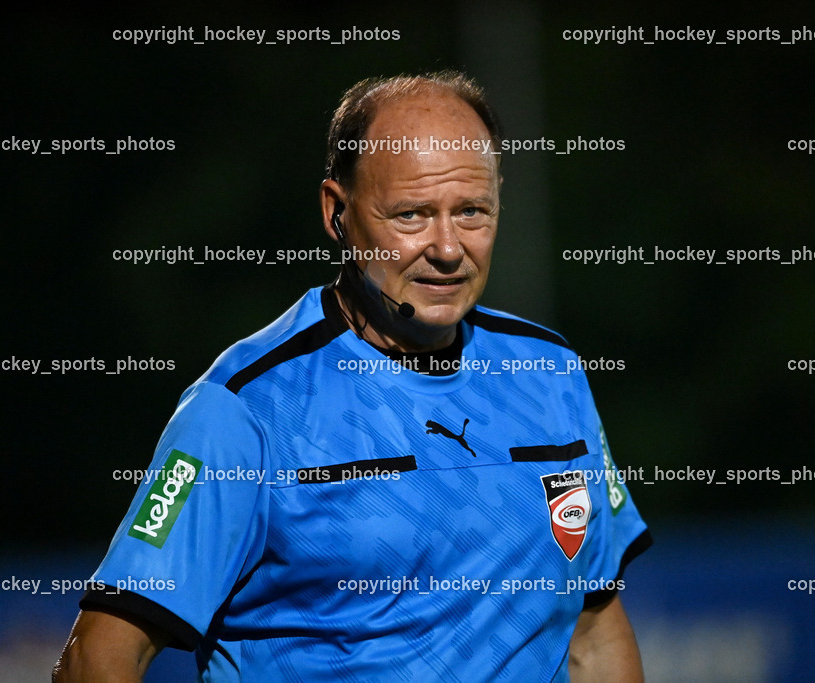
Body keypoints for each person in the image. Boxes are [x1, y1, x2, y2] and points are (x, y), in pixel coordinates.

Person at [54, 70, 652, 682]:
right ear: (337, 212)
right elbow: (95, 657)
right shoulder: (246, 407)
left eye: (472, 211)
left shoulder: (550, 372)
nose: (449, 248)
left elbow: (593, 633)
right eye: (412, 215)